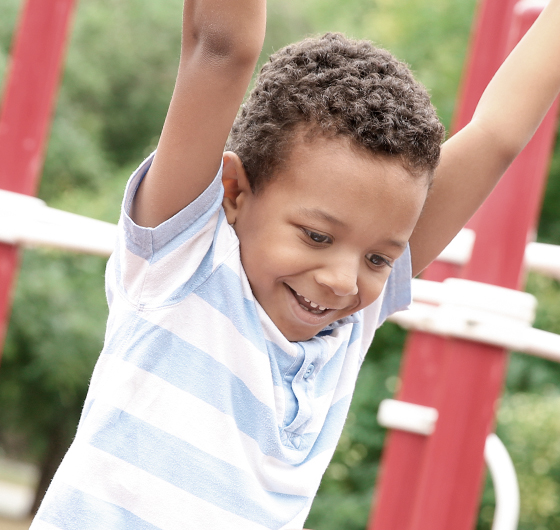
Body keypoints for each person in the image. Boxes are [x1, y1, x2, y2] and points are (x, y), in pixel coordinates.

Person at [30, 0, 560, 528]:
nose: (342, 280)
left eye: (378, 258)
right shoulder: (183, 265)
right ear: (235, 192)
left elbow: (496, 136)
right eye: (316, 236)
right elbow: (222, 49)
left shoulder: (350, 324)